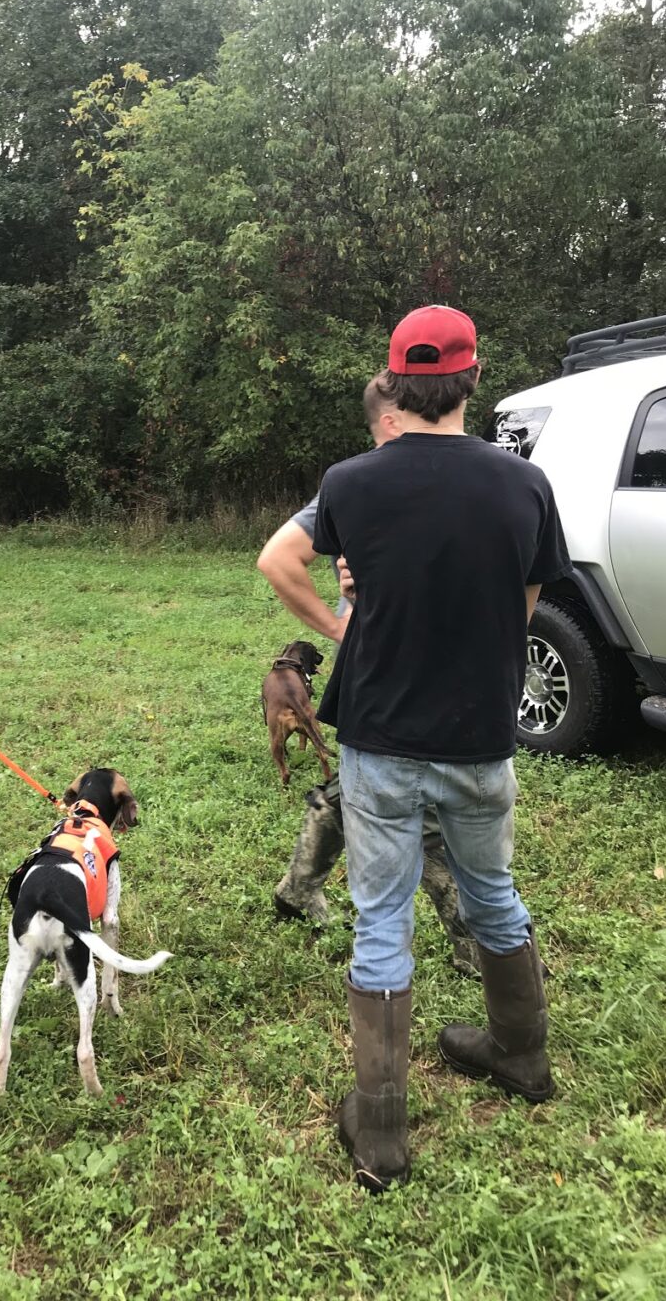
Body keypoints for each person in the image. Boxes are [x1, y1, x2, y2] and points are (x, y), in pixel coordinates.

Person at [289, 306, 570, 1191]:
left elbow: (284, 560)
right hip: (482, 740)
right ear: (472, 380)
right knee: (493, 891)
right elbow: (527, 602)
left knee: (381, 917)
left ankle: (378, 1138)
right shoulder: (526, 486)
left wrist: (344, 628)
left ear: (398, 385)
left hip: (379, 740)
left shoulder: (351, 482)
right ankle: (521, 1056)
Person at [258, 382, 478, 976]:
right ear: (391, 419)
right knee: (423, 819)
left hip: (394, 685)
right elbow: (277, 558)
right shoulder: (356, 484)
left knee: (366, 794)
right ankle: (471, 943)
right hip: (397, 679)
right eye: (421, 411)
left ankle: (298, 888)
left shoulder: (439, 477)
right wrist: (338, 629)